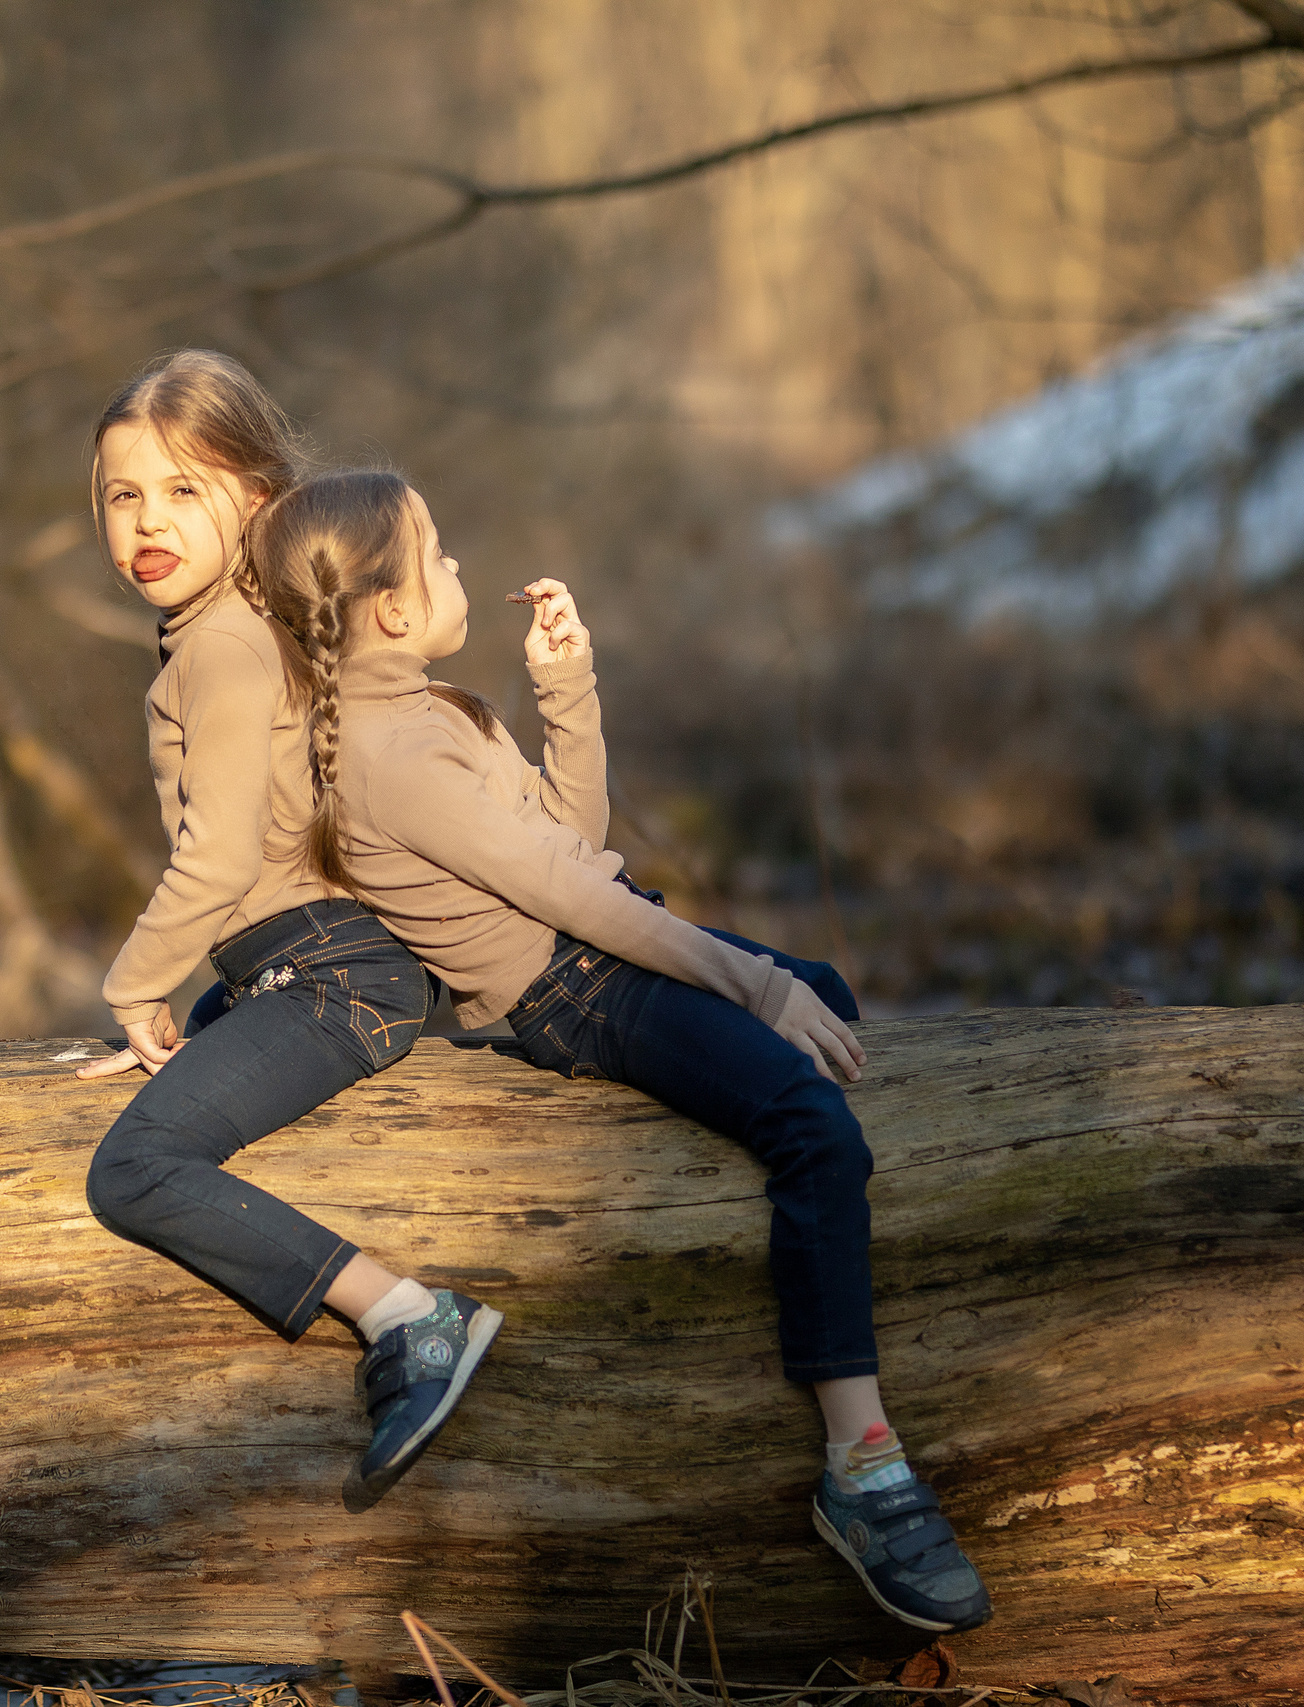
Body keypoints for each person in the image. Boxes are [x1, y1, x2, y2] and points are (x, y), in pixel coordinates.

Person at [250, 467, 991, 1633]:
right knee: (811, 1125)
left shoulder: (435, 714)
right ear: (387, 609)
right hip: (579, 991)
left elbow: (576, 842)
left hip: (600, 947)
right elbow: (576, 901)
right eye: (436, 555)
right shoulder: (389, 760)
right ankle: (863, 1464)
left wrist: (566, 689)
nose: (456, 570)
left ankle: (833, 1276)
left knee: (825, 997)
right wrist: (744, 980)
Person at [71, 352, 501, 1506]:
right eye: (123, 496)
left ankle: (410, 1319)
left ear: (258, 499)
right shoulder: (260, 621)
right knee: (170, 1089)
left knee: (137, 1168)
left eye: (182, 491)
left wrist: (133, 986)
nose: (146, 522)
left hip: (329, 975)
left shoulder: (216, 645)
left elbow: (214, 855)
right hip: (311, 968)